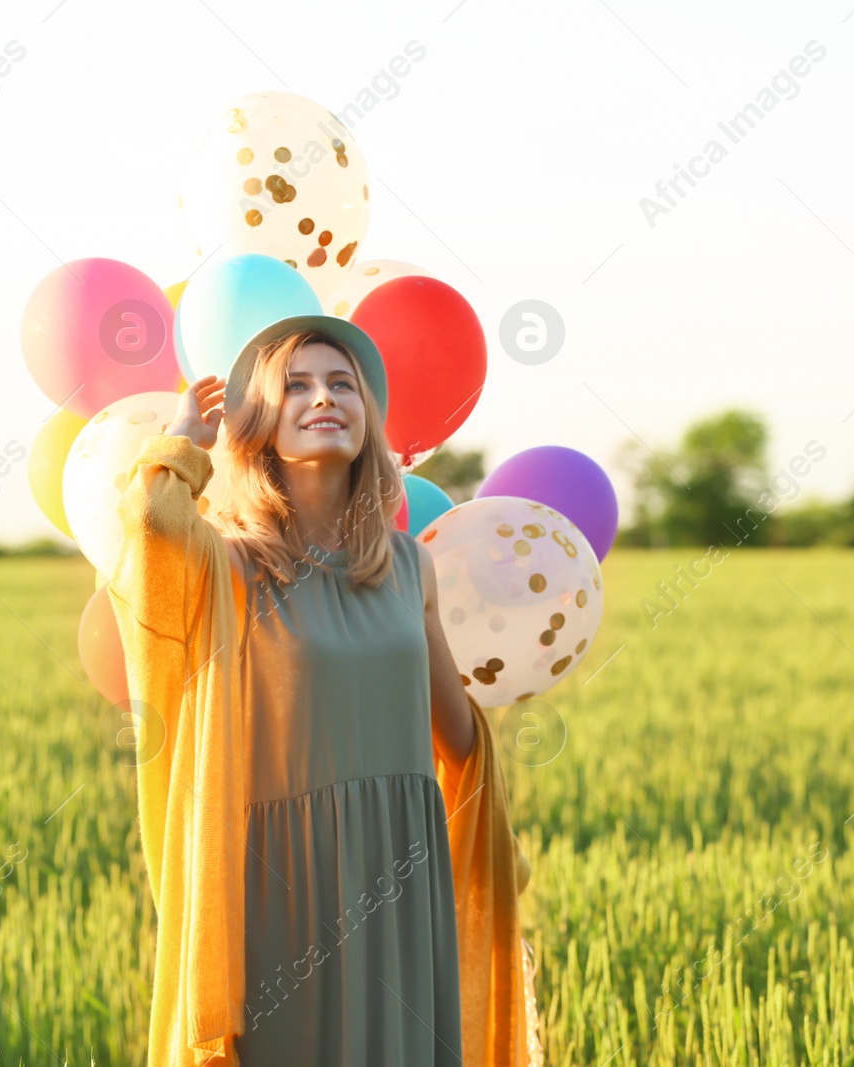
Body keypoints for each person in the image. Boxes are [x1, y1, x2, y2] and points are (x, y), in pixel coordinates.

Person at [108, 314, 538, 1067]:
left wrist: (489, 843)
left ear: (370, 417)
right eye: (295, 386)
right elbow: (150, 523)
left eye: (344, 384)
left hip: (402, 873)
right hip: (283, 884)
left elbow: (460, 741)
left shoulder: (410, 566)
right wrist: (184, 441)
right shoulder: (228, 568)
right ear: (260, 423)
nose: (324, 397)